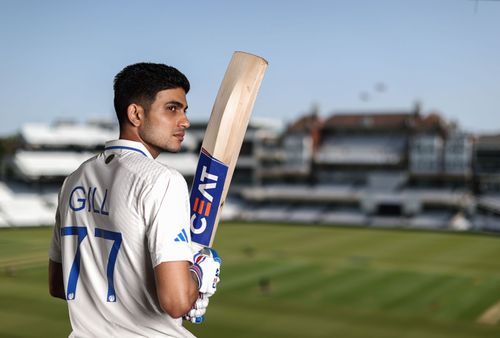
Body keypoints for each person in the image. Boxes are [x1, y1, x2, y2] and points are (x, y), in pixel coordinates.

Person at [48, 62, 221, 337]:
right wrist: (199, 276)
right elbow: (177, 302)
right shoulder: (162, 180)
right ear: (136, 114)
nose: (185, 120)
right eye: (172, 108)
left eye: (184, 110)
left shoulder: (73, 180)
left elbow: (58, 285)